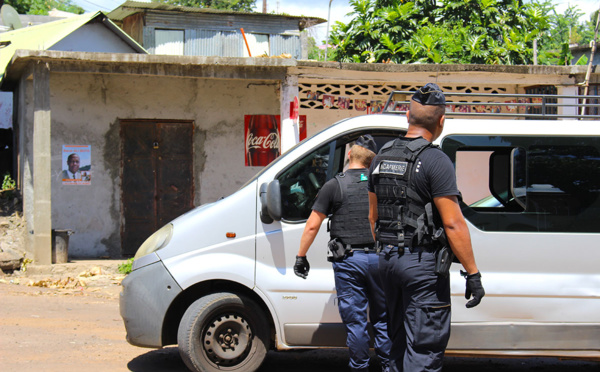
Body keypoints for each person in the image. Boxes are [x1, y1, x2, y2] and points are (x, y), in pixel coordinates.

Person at [368, 83, 485, 372]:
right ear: (441, 121)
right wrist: (473, 274)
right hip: (420, 265)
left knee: (396, 343)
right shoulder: (435, 160)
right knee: (424, 345)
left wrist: (390, 250)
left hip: (387, 261)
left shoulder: (382, 156)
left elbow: (372, 218)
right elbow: (453, 222)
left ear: (408, 116)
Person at [294, 135, 391, 372]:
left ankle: (360, 367)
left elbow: (312, 225)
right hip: (381, 259)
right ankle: (390, 366)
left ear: (349, 155)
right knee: (384, 318)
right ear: (372, 160)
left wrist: (301, 256)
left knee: (356, 322)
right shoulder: (382, 184)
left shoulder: (334, 185)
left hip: (349, 261)